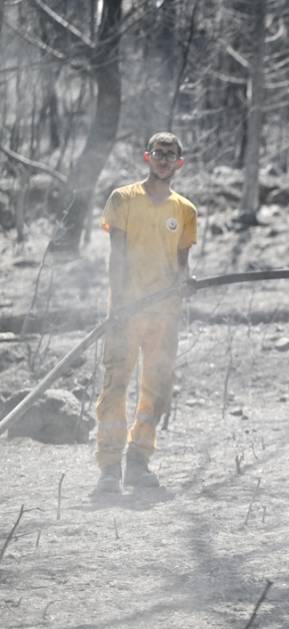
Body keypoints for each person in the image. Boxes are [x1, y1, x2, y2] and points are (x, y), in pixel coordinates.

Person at [94, 132, 197, 494]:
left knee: (157, 388)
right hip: (126, 310)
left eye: (171, 154)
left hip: (164, 315)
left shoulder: (185, 210)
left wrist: (186, 283)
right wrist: (120, 305)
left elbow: (182, 264)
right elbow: (116, 257)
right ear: (147, 157)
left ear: (179, 163)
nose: (165, 159)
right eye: (159, 153)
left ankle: (138, 461)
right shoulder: (123, 199)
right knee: (115, 386)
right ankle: (109, 469)